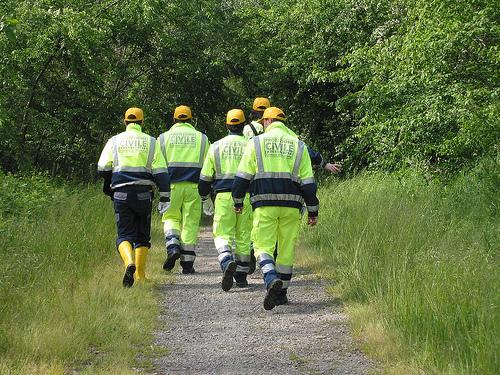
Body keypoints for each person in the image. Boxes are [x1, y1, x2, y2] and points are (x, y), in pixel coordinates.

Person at [232, 107, 319, 310]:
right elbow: (308, 183)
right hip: (292, 207)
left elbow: (243, 176)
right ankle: (281, 295)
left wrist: (237, 200)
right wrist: (313, 210)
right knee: (286, 248)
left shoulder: (256, 143)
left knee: (262, 246)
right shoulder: (299, 146)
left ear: (267, 122)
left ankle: (271, 278)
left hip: (264, 205)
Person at [97, 107, 171, 287]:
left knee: (124, 235)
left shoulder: (114, 141)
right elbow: (161, 172)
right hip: (144, 196)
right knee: (142, 236)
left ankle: (128, 262)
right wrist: (165, 196)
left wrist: (109, 185)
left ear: (125, 122)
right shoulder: (151, 142)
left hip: (121, 195)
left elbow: (102, 168)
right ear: (142, 122)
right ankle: (140, 275)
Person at [199, 109, 253, 291]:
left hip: (223, 197)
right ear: (244, 124)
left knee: (223, 234)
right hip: (246, 196)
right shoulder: (251, 145)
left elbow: (205, 177)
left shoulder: (215, 146)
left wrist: (205, 197)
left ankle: (226, 260)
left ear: (227, 124)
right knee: (244, 235)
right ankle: (242, 277)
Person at [158, 105, 210, 274]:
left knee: (171, 217)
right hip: (194, 187)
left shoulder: (163, 138)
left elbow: (157, 166)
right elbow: (208, 165)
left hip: (171, 186)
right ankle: (187, 263)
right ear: (190, 119)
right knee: (191, 223)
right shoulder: (202, 139)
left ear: (174, 119)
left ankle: (173, 245)